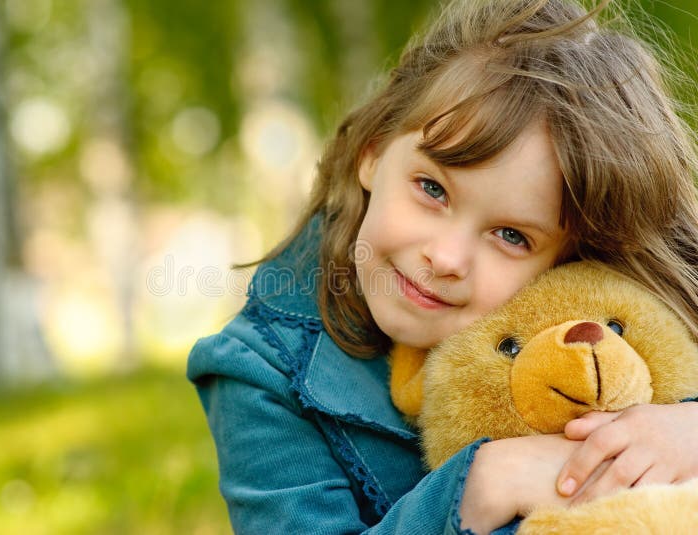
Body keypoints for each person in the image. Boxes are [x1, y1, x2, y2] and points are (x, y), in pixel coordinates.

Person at [187, 0, 698, 532]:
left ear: (569, 256)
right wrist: (481, 485)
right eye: (432, 189)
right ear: (374, 151)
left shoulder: (608, 321)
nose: (446, 257)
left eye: (511, 236)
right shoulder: (261, 371)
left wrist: (688, 427)